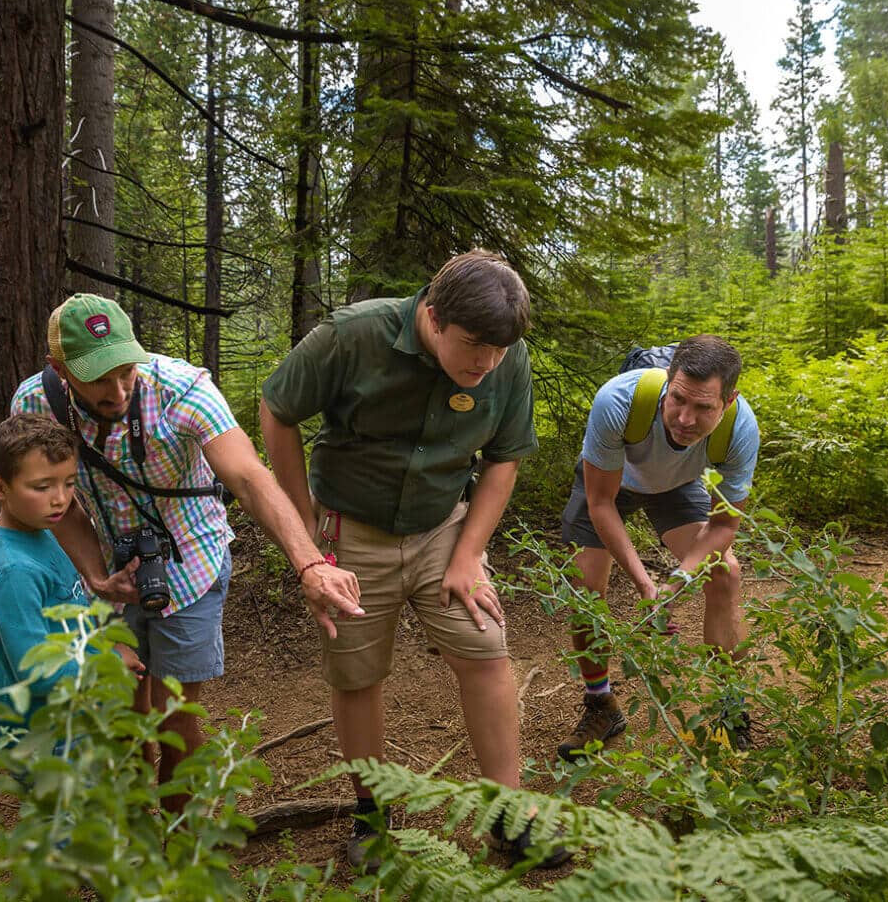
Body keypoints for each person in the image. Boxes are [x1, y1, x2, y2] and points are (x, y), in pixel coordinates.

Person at [261, 249, 567, 871]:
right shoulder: (353, 335)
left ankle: (509, 817)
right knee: (357, 674)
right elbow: (277, 410)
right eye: (474, 346)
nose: (485, 364)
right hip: (350, 530)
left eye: (498, 351)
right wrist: (305, 522)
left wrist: (470, 554)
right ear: (432, 315)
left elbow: (505, 457)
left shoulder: (506, 357)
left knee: (485, 646)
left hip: (443, 529)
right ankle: (371, 813)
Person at [12, 293, 362, 811]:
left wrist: (308, 561)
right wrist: (95, 577)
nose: (118, 389)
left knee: (176, 715)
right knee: (124, 709)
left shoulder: (180, 388)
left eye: (126, 370)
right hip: (109, 563)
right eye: (98, 378)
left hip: (192, 557)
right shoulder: (35, 407)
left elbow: (248, 475)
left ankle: (180, 839)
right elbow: (53, 504)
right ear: (59, 368)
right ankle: (135, 841)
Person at [557, 334, 760, 761]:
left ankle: (730, 705)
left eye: (703, 407)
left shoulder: (741, 429)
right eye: (678, 399)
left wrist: (677, 583)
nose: (685, 419)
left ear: (728, 400)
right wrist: (646, 585)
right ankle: (601, 705)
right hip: (610, 481)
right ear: (667, 383)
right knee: (585, 587)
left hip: (676, 485)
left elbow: (724, 526)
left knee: (724, 573)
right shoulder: (618, 400)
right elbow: (600, 502)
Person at [0, 413, 145, 742]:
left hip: (76, 719)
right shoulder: (14, 570)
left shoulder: (44, 532)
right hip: (44, 737)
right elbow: (36, 672)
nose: (60, 498)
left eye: (69, 483)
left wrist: (103, 648)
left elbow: (67, 622)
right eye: (42, 487)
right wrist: (109, 661)